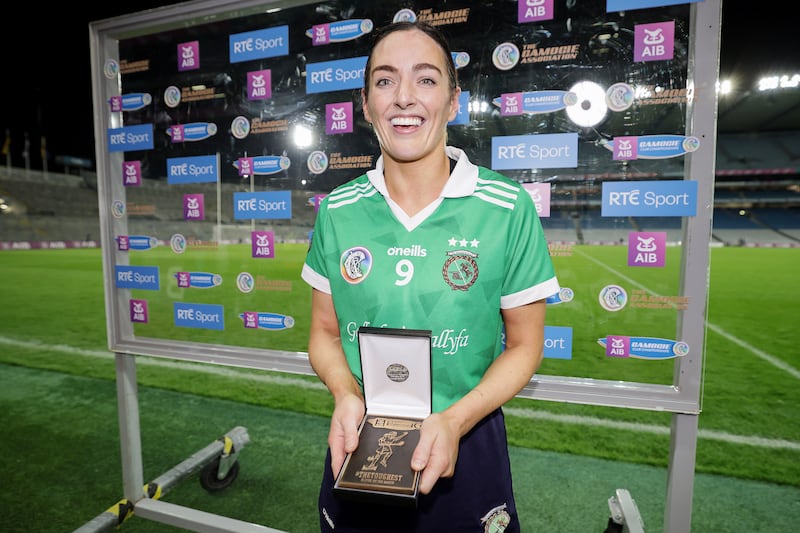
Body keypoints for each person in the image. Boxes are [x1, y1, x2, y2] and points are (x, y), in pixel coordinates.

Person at [301, 20, 560, 532]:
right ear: (366, 102)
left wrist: (456, 419)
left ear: (454, 99)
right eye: (384, 81)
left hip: (466, 435)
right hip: (361, 440)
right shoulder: (337, 210)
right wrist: (344, 394)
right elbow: (324, 335)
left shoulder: (507, 208)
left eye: (425, 79)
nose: (403, 97)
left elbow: (524, 347)